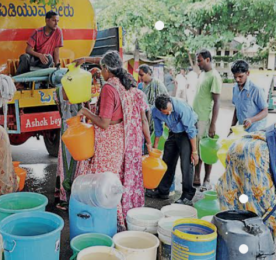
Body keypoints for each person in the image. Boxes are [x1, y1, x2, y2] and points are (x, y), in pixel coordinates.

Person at [74, 51, 151, 231]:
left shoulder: (109, 88)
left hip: (108, 141)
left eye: (102, 69)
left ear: (107, 69)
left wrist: (85, 112)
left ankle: (112, 224)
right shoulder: (127, 83)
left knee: (104, 183)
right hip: (121, 140)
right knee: (114, 179)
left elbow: (104, 122)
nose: (101, 73)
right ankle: (116, 221)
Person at [216, 122, 276, 237]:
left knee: (237, 201)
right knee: (265, 212)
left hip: (238, 147)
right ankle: (260, 249)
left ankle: (231, 242)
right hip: (256, 155)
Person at [146, 94, 199, 205]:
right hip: (173, 131)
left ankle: (187, 196)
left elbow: (190, 130)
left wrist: (194, 152)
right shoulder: (155, 111)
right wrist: (155, 147)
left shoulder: (180, 107)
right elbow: (158, 129)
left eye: (170, 110)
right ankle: (163, 191)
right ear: (160, 110)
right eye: (166, 112)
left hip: (187, 133)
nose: (169, 113)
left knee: (186, 163)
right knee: (167, 161)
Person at [193, 49, 221, 191]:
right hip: (196, 118)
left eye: (200, 60)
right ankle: (197, 176)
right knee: (197, 150)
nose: (198, 63)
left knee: (207, 150)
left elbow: (217, 102)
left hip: (205, 119)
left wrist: (213, 125)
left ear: (208, 60)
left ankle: (207, 179)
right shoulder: (203, 74)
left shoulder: (214, 76)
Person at [53, 86, 82, 210]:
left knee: (66, 162)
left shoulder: (58, 91)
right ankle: (74, 196)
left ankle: (66, 197)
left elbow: (59, 108)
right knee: (76, 161)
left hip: (66, 127)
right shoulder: (82, 88)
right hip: (79, 128)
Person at [230, 60, 268, 132]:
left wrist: (251, 120)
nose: (237, 79)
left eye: (240, 76)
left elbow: (265, 111)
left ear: (248, 73)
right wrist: (232, 126)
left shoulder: (256, 90)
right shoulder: (235, 88)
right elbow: (237, 108)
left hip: (256, 130)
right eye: (235, 77)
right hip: (242, 129)